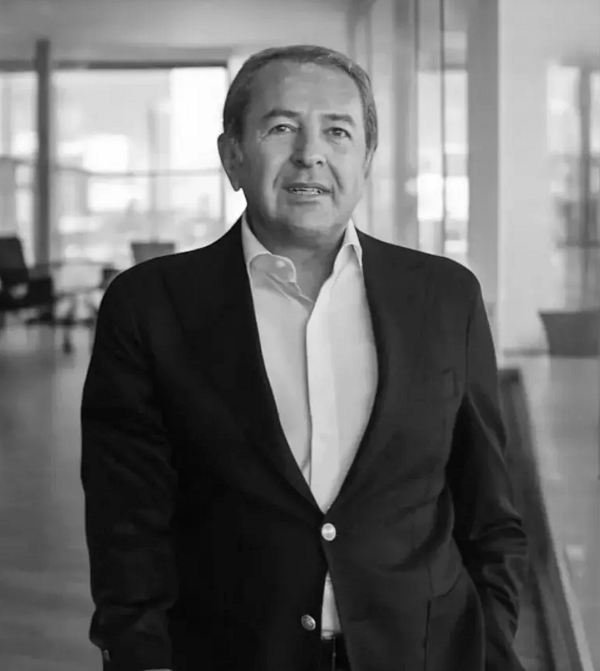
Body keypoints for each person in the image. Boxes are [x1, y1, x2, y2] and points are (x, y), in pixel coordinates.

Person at [80, 44, 529, 671]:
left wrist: (493, 645)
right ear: (232, 156)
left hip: (424, 651)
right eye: (281, 128)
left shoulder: (446, 296)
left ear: (366, 158)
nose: (309, 153)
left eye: (337, 131)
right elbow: (126, 522)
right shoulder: (149, 305)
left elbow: (489, 511)